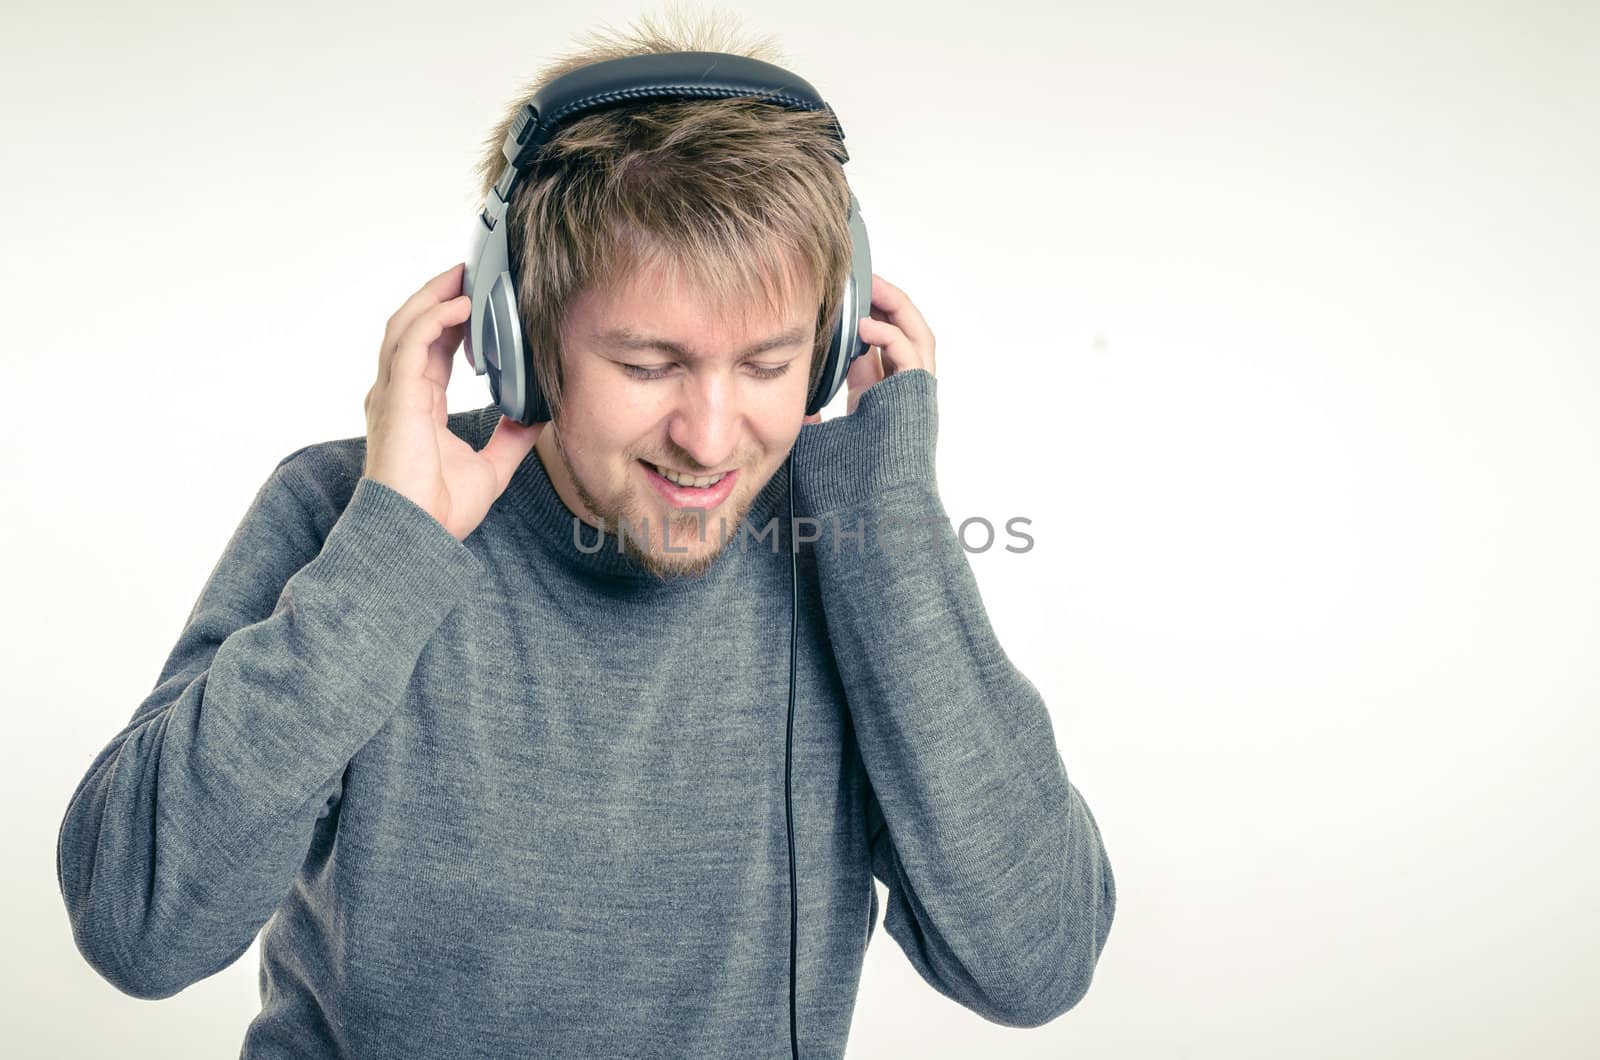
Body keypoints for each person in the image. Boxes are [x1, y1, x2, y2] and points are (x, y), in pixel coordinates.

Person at [55, 10, 1115, 1059]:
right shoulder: (349, 517)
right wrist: (390, 553)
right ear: (516, 336)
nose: (708, 438)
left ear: (836, 345)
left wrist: (888, 517)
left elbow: (1034, 962)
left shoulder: (853, 551)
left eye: (765, 365)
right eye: (647, 366)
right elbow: (138, 929)